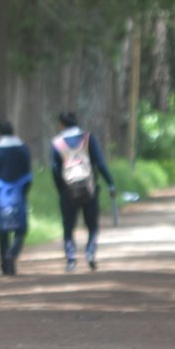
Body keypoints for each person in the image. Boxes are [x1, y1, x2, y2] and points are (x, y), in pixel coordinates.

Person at [51, 111, 115, 271]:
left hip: (68, 189)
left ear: (61, 124)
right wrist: (110, 183)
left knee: (68, 226)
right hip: (89, 188)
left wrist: (61, 188)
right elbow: (100, 163)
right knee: (92, 225)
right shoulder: (88, 138)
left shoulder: (57, 143)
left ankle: (71, 259)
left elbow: (54, 169)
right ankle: (90, 252)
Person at [0, 120, 33, 276]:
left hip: (2, 192)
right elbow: (28, 171)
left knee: (3, 229)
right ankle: (13, 253)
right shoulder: (22, 148)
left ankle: (5, 265)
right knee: (21, 228)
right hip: (19, 191)